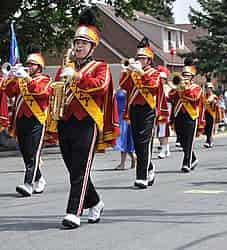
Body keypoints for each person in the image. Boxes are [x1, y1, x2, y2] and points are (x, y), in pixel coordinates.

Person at [56, 9, 119, 228]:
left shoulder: (100, 67)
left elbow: (100, 87)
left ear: (92, 46)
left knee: (81, 168)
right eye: (76, 42)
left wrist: (77, 77)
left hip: (87, 122)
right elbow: (56, 91)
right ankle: (96, 202)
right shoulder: (67, 66)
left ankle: (73, 212)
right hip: (65, 121)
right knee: (74, 168)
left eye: (83, 43)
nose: (79, 46)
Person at [119, 37, 169, 188]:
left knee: (144, 142)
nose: (139, 60)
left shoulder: (154, 73)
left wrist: (141, 73)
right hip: (134, 109)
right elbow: (124, 86)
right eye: (138, 57)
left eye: (143, 58)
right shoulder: (133, 71)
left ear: (148, 60)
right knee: (137, 143)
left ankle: (142, 177)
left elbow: (153, 87)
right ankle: (149, 167)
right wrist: (127, 72)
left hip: (148, 109)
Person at [4, 46, 51, 197]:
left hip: (37, 120)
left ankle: (28, 183)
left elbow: (40, 92)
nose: (29, 67)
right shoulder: (21, 80)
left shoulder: (45, 80)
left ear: (39, 67)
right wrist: (11, 77)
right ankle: (39, 178)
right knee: (25, 152)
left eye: (32, 64)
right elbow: (9, 92)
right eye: (28, 64)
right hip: (21, 119)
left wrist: (26, 78)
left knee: (33, 152)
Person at [168, 58, 205, 173]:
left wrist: (185, 88)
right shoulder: (177, 86)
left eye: (188, 75)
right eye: (184, 74)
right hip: (178, 115)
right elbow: (171, 97)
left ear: (192, 77)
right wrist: (177, 87)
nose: (185, 77)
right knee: (182, 141)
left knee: (189, 141)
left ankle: (186, 163)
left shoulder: (196, 88)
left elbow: (194, 97)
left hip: (191, 116)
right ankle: (193, 158)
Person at [114, 88, 136, 170]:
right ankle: (133, 157)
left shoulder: (130, 90)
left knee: (124, 140)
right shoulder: (119, 90)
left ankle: (122, 164)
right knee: (126, 141)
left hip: (125, 117)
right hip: (120, 117)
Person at [156, 65, 171, 158]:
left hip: (166, 111)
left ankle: (163, 149)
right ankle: (165, 148)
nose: (161, 80)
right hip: (158, 111)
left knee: (163, 131)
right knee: (159, 132)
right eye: (160, 78)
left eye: (163, 78)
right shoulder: (157, 87)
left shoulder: (168, 88)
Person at [203, 81, 221, 148]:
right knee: (206, 128)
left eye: (210, 88)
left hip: (211, 114)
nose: (209, 89)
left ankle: (208, 141)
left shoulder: (214, 96)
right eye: (207, 88)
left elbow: (215, 105)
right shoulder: (203, 96)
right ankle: (209, 140)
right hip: (205, 114)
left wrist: (214, 102)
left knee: (210, 128)